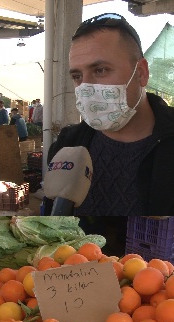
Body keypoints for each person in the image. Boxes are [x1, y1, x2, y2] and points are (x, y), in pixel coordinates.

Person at [46, 13, 174, 215]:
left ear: (141, 73)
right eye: (77, 76)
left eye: (100, 70)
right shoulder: (67, 145)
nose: (86, 87)